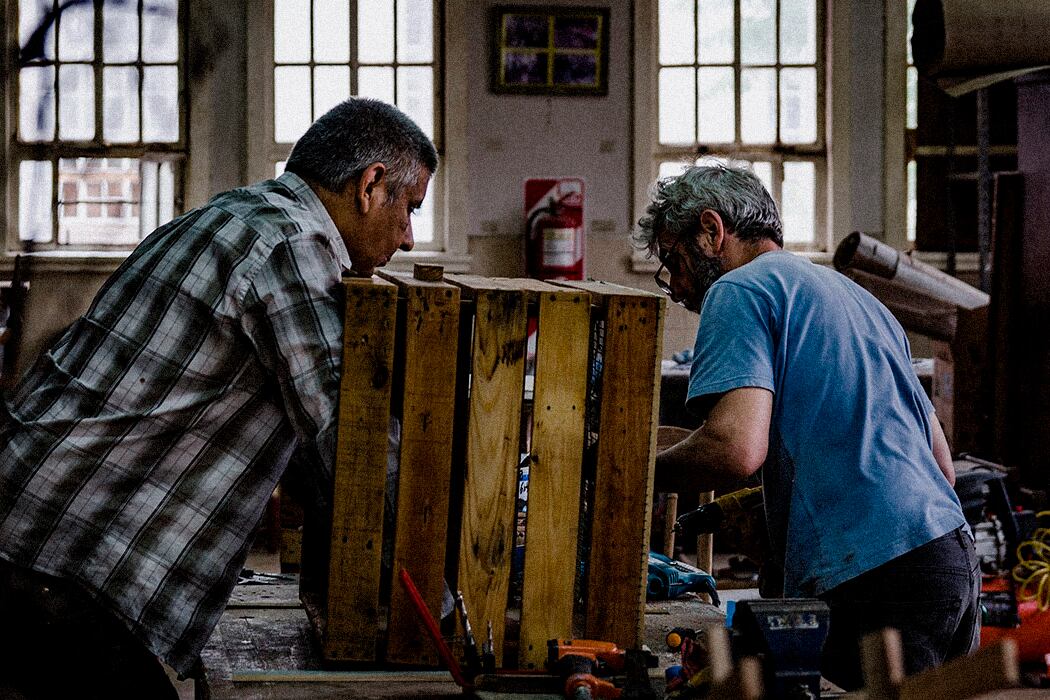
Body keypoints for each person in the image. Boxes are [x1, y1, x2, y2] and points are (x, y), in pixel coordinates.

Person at [0, 97, 437, 698]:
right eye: (409, 208)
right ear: (370, 186)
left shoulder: (225, 217)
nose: (409, 238)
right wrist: (442, 603)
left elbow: (310, 447)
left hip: (28, 526)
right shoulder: (292, 245)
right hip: (59, 560)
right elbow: (352, 440)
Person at [637, 164, 980, 690]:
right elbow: (941, 467)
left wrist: (634, 471)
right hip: (948, 558)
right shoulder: (859, 300)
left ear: (711, 230)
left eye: (674, 261)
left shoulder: (739, 290)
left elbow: (734, 448)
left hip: (878, 576)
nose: (677, 287)